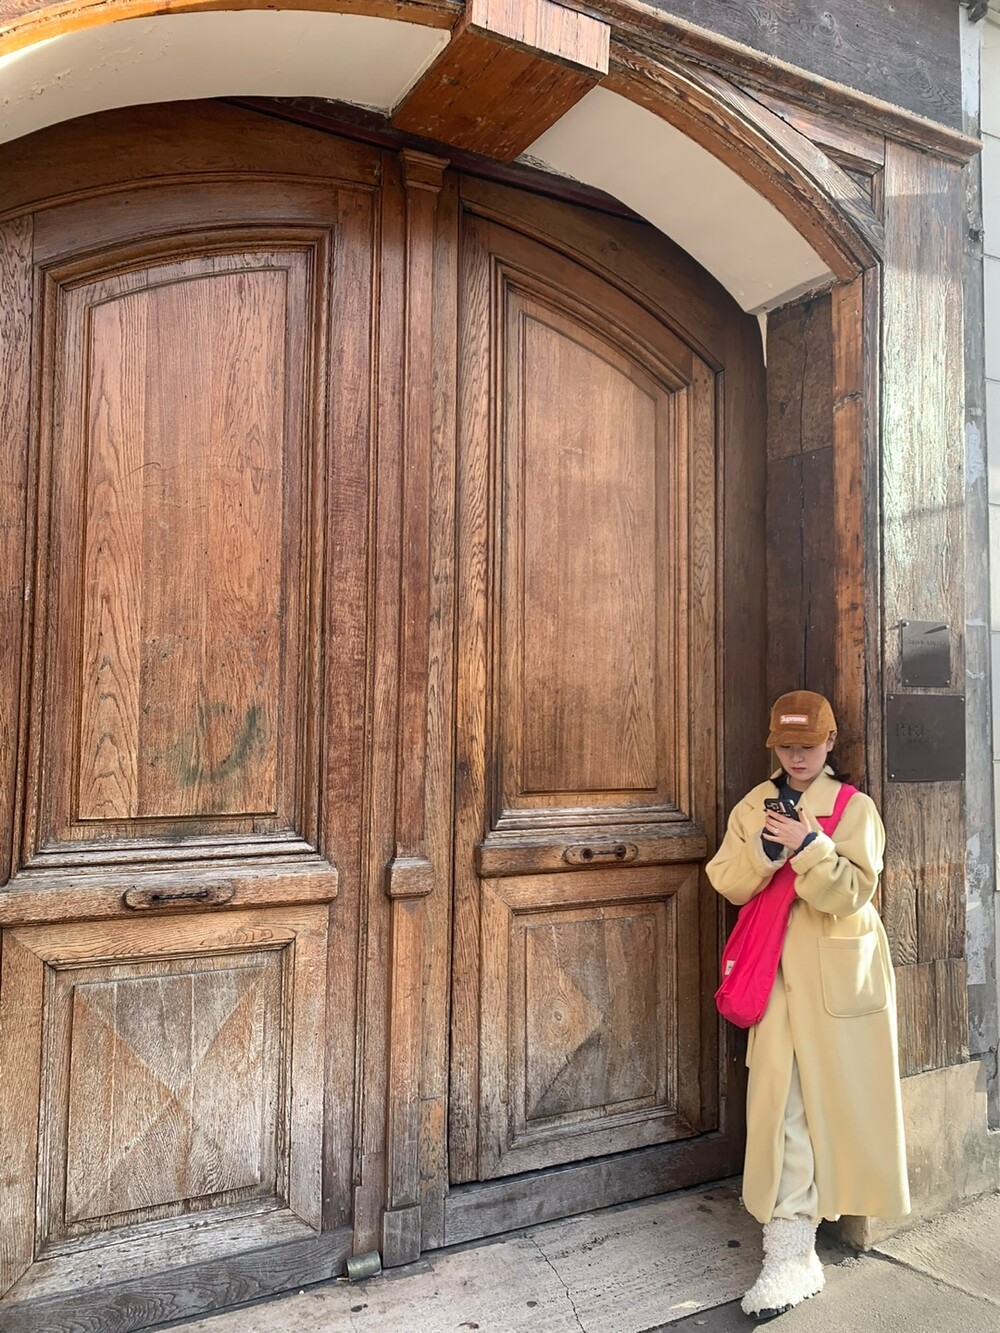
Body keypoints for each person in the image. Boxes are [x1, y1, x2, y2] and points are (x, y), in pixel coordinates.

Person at [706, 690, 909, 1321]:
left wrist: (811, 845)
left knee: (841, 1103)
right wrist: (767, 853)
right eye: (787, 746)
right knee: (783, 1103)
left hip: (839, 975)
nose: (797, 757)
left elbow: (852, 893)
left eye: (808, 745)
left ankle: (807, 1246)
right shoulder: (754, 805)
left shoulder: (854, 808)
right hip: (776, 976)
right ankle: (789, 1252)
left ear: (830, 742)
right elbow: (726, 880)